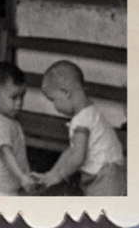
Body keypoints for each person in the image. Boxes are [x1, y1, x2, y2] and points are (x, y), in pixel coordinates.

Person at [33, 59, 127, 195]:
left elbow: (77, 157)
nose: (54, 106)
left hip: (106, 177)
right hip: (109, 172)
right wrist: (51, 173)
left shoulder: (82, 121)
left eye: (53, 100)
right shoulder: (89, 111)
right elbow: (71, 151)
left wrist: (59, 176)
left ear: (66, 93)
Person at [0, 61, 35, 195]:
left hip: (5, 186)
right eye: (14, 97)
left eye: (22, 96)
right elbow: (6, 153)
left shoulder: (6, 116)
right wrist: (22, 177)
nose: (19, 103)